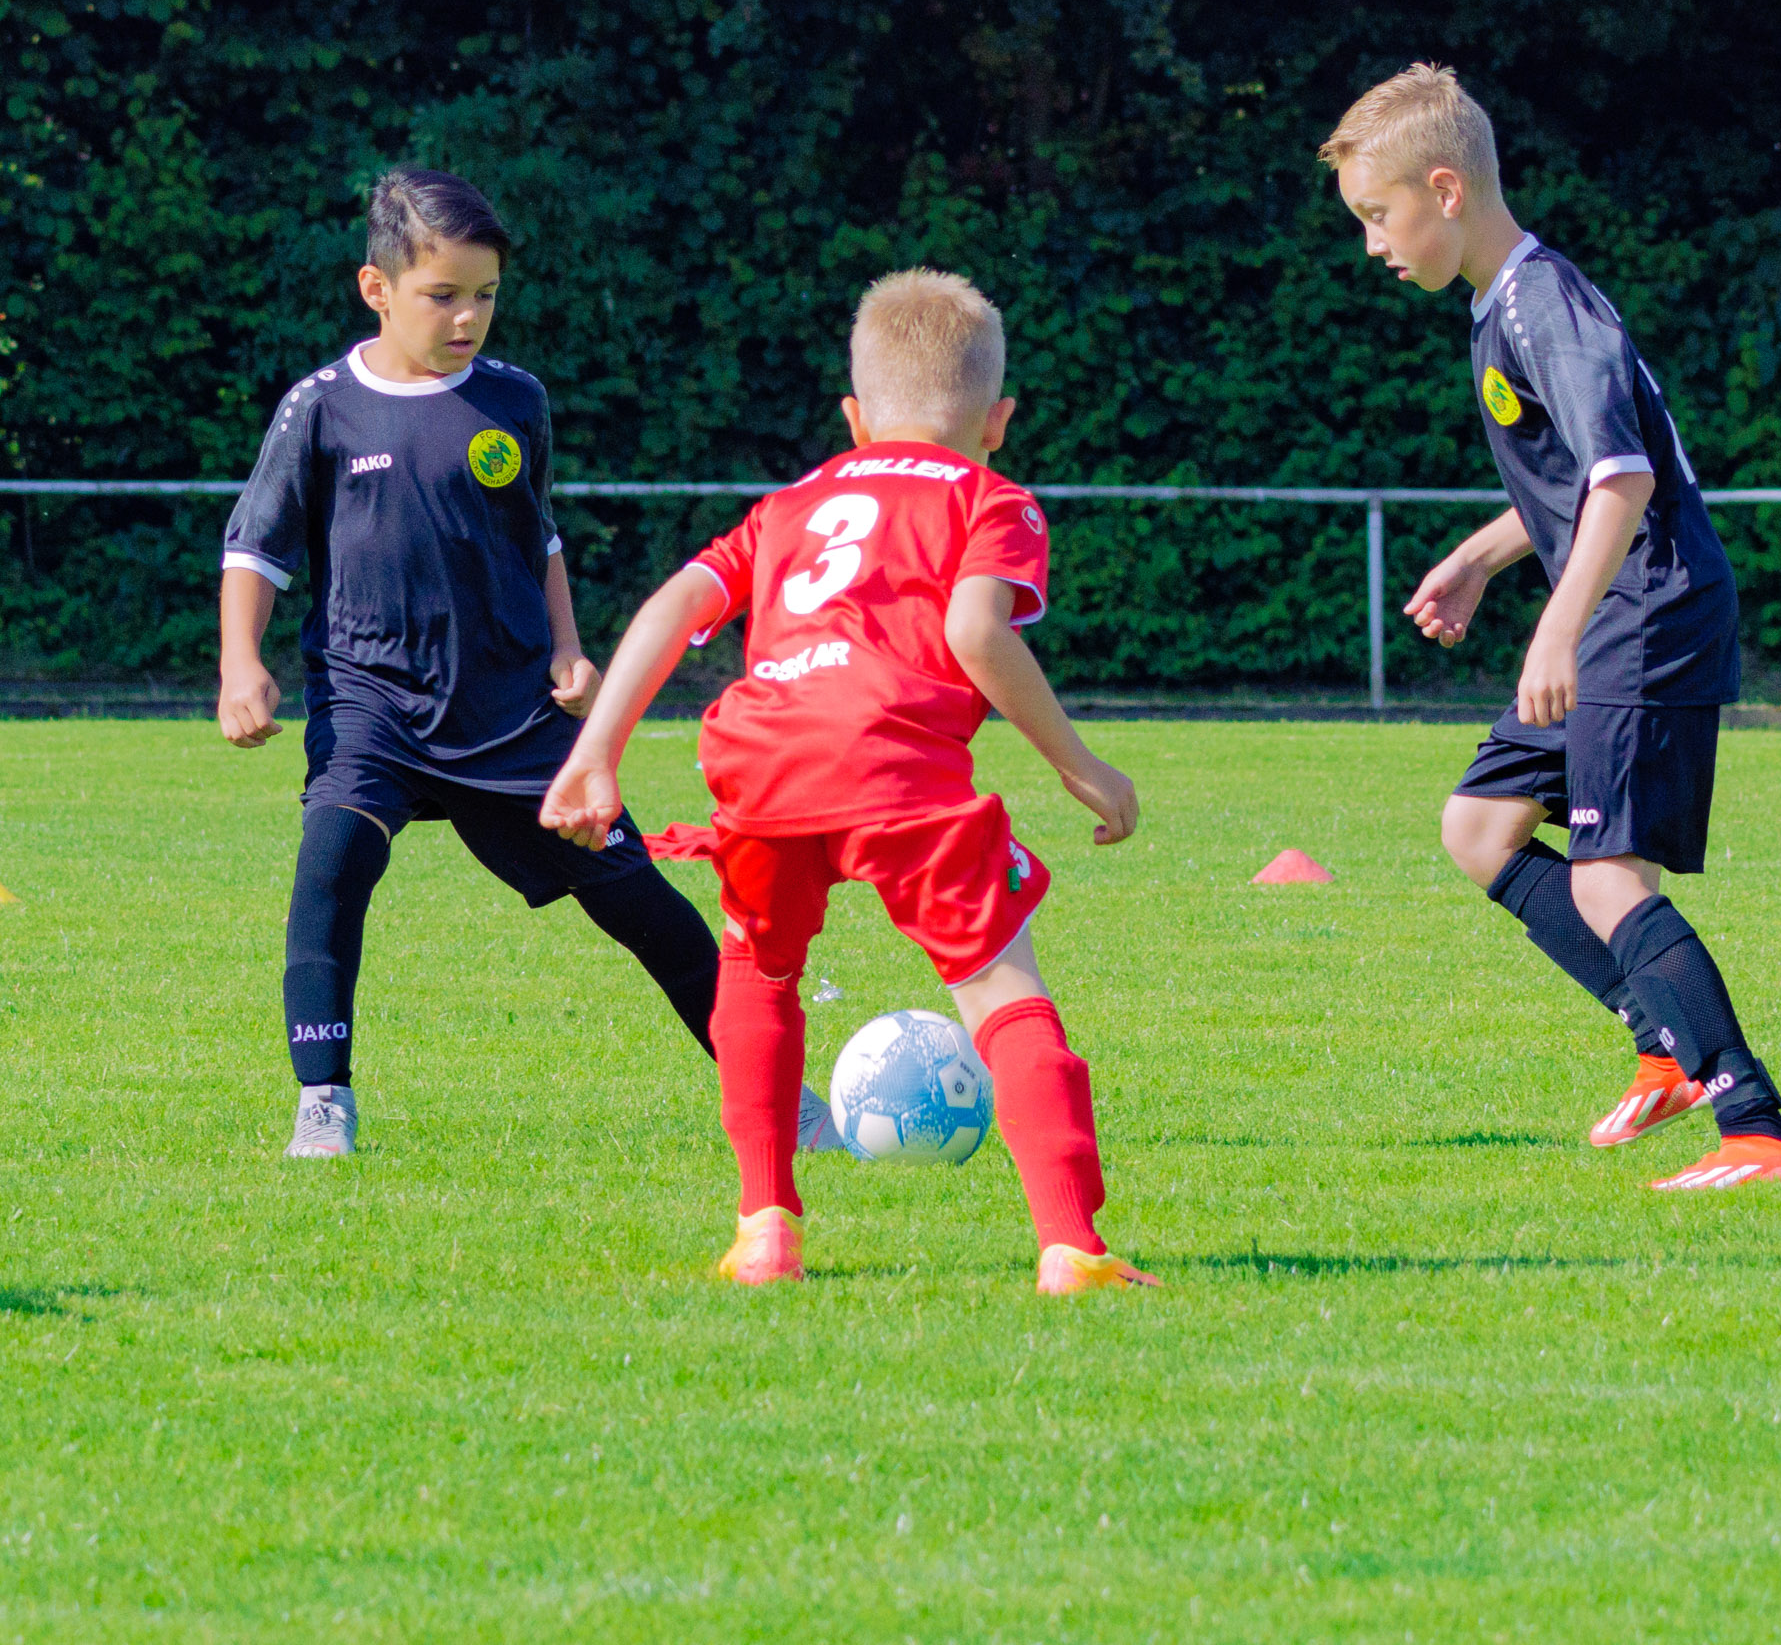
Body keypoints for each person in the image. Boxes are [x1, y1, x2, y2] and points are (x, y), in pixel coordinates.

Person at [541, 269, 1155, 1295]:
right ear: (998, 421)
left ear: (856, 417)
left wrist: (596, 752)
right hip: (895, 759)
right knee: (1001, 985)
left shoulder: (789, 504)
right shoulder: (990, 497)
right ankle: (1070, 1246)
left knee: (759, 969)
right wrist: (1079, 765)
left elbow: (673, 605)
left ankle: (765, 1228)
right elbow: (975, 633)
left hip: (765, 755)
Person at [219, 169, 834, 1160]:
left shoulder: (515, 399)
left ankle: (783, 1101)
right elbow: (256, 547)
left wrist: (567, 646)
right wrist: (239, 662)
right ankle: (323, 1102)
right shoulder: (322, 408)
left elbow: (537, 533)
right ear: (376, 288)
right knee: (332, 865)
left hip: (510, 713)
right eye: (442, 295)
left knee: (641, 902)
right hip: (372, 702)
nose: (467, 317)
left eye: (485, 295)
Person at [1319, 63, 1781, 1190]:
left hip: (1650, 606)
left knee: (1607, 878)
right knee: (1479, 828)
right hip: (1616, 607)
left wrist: (1556, 627)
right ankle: (1661, 1038)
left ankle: (1757, 1127)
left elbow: (1625, 479)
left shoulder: (1542, 302)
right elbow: (1575, 480)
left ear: (1446, 190)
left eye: (1378, 215)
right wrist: (1479, 557)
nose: (1373, 244)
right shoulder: (1505, 304)